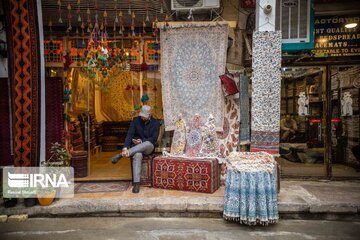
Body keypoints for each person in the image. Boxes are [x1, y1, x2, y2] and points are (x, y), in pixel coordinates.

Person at [111, 105, 160, 193]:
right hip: (136, 147)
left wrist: (142, 141)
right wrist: (125, 147)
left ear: (149, 115)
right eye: (141, 115)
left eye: (144, 116)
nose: (142, 118)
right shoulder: (135, 121)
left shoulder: (155, 123)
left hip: (149, 147)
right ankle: (136, 184)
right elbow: (129, 134)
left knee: (147, 143)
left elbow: (154, 138)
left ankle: (122, 155)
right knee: (137, 155)